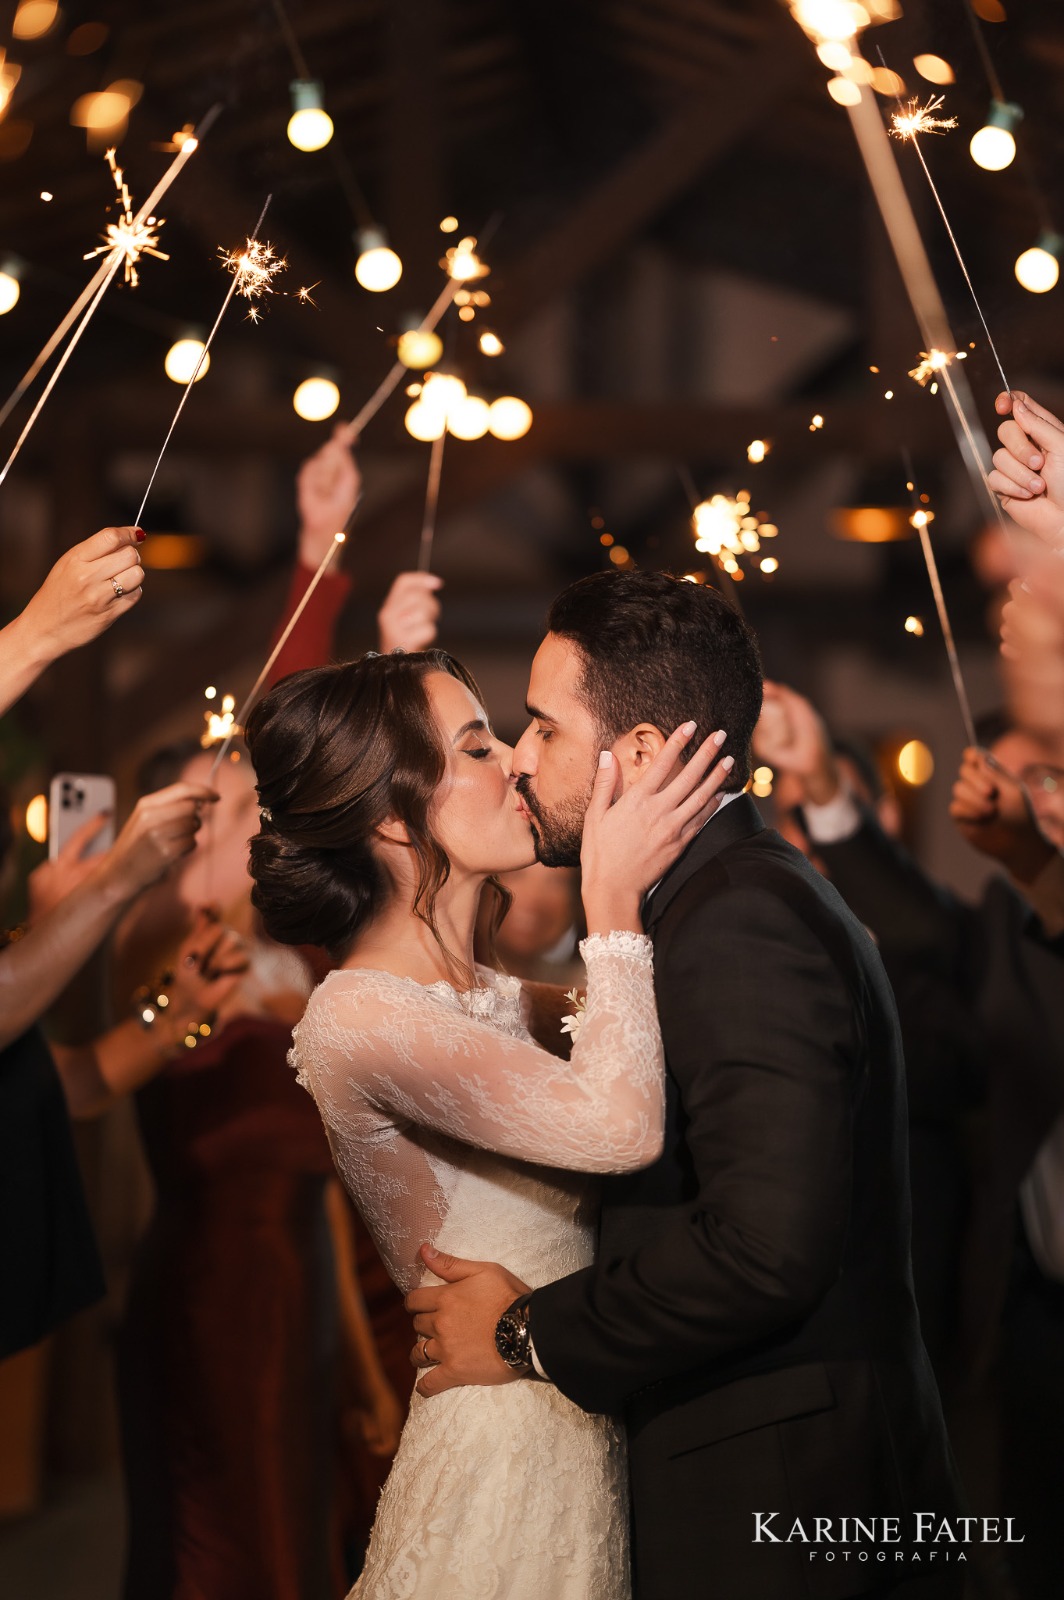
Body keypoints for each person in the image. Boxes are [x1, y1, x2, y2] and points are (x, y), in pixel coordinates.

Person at [404, 570, 961, 1600]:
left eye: (542, 728)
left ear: (644, 754)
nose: (521, 760)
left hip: (783, 1497)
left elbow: (761, 1249)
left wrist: (526, 1332)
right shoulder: (712, 897)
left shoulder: (742, 919)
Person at [245, 639, 731, 1600]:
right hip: (500, 1457)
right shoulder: (360, 1015)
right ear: (391, 816)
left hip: (573, 1409)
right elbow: (621, 1127)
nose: (515, 757)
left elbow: (642, 1035)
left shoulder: (499, 1001)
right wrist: (613, 902)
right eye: (476, 746)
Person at [109, 430, 438, 1600]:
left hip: (317, 1284)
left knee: (304, 1528)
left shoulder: (299, 953)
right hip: (213, 1296)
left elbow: (280, 754)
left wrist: (325, 566)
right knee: (226, 1539)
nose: (248, 822)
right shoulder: (155, 947)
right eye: (220, 814)